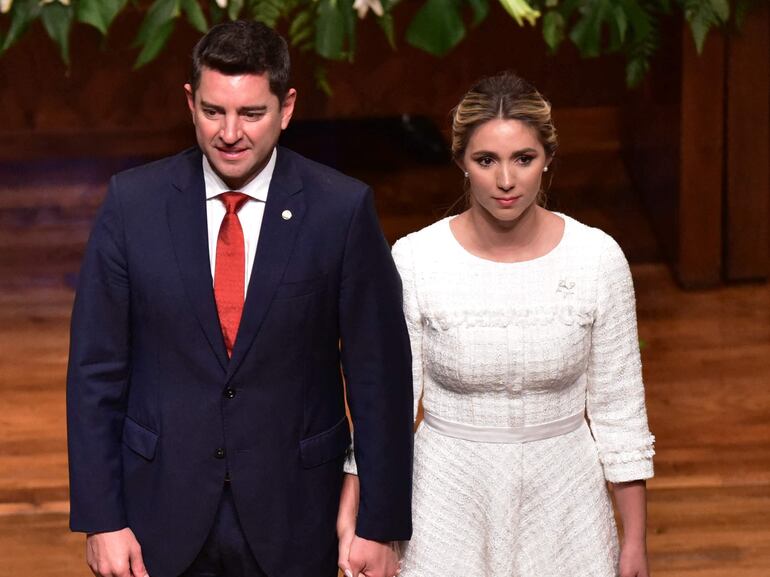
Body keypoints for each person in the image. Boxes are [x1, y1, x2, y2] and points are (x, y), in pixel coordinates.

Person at [66, 20, 412, 577]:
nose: (230, 133)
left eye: (251, 113)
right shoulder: (132, 204)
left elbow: (380, 379)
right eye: (213, 111)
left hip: (299, 514)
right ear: (189, 102)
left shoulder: (340, 210)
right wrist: (101, 518)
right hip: (159, 511)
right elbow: (95, 373)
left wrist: (380, 522)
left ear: (287, 106)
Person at [390, 72, 655, 577]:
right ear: (461, 163)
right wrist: (370, 527)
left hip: (566, 502)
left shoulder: (596, 259)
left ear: (548, 159)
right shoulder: (416, 259)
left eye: (523, 159)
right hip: (446, 499)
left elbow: (621, 412)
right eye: (486, 160)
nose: (506, 180)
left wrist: (635, 541)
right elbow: (391, 411)